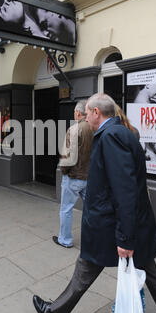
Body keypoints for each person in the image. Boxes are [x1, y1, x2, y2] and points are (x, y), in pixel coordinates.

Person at [33, 93, 156, 313]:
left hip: (114, 227)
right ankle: (58, 311)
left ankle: (57, 312)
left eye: (87, 113)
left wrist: (125, 238)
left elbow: (125, 190)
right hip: (119, 225)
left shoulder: (111, 137)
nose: (85, 117)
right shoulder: (120, 133)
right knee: (94, 267)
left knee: (88, 266)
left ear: (97, 112)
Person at [53, 100, 93, 248]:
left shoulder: (75, 129)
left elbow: (67, 156)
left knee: (66, 209)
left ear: (78, 113)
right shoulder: (95, 129)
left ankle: (65, 239)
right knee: (91, 210)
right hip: (89, 177)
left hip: (74, 177)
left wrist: (64, 172)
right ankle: (93, 240)